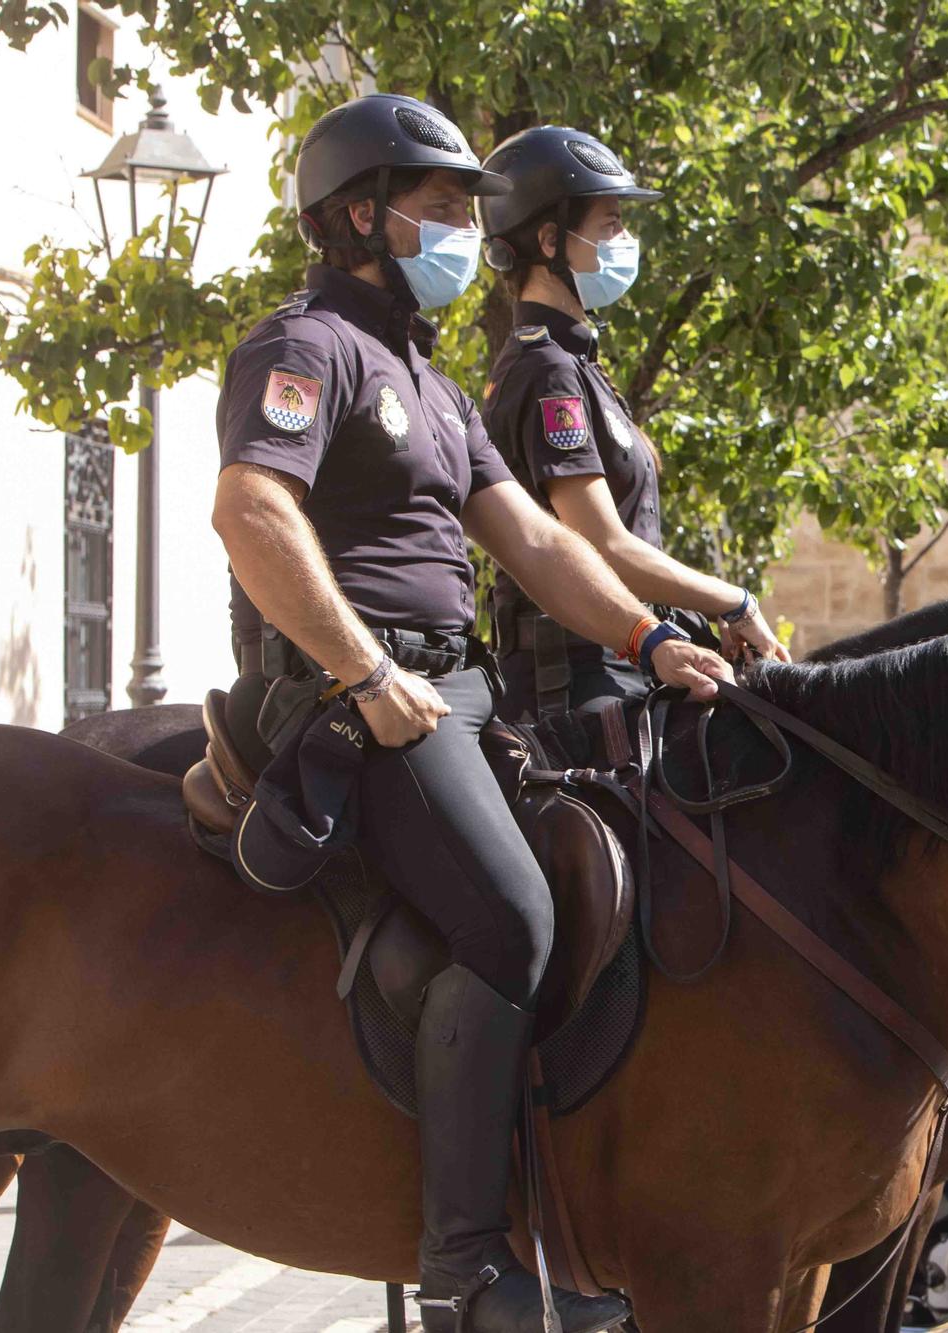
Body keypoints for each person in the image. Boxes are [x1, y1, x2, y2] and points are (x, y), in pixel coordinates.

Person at [212, 92, 732, 1333]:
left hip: (459, 689)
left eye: (463, 206)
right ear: (357, 215)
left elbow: (540, 544)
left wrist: (649, 636)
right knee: (512, 915)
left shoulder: (433, 386)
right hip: (362, 698)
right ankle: (464, 1271)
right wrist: (362, 672)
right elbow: (251, 514)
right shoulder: (306, 348)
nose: (461, 228)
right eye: (439, 205)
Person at [476, 126, 787, 748]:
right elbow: (603, 546)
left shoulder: (575, 363)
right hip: (577, 685)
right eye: (611, 224)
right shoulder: (547, 372)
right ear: (548, 240)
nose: (626, 241)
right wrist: (734, 601)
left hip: (629, 659)